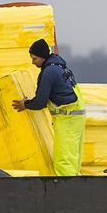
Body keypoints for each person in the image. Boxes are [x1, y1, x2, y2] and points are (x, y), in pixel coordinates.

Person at [12, 39, 86, 176]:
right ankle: (76, 187)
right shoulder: (60, 66)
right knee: (73, 157)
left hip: (67, 118)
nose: (33, 62)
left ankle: (66, 192)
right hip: (75, 117)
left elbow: (40, 102)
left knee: (64, 160)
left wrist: (25, 104)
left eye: (34, 58)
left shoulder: (48, 72)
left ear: (42, 57)